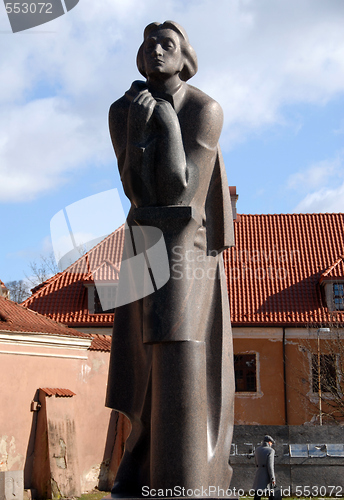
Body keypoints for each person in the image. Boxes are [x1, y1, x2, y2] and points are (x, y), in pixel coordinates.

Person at [106, 21, 235, 495]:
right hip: (144, 239)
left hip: (188, 248)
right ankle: (140, 470)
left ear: (185, 57)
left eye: (169, 45)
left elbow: (183, 196)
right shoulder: (122, 111)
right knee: (139, 362)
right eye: (150, 45)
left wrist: (162, 122)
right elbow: (137, 193)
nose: (157, 51)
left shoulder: (205, 110)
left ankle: (185, 479)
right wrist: (140, 128)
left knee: (176, 345)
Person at [252, 435, 276, 500]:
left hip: (259, 473)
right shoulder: (270, 451)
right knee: (271, 494)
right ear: (269, 442)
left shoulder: (257, 450)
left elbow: (256, 462)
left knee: (257, 494)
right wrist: (273, 478)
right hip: (266, 475)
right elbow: (270, 466)